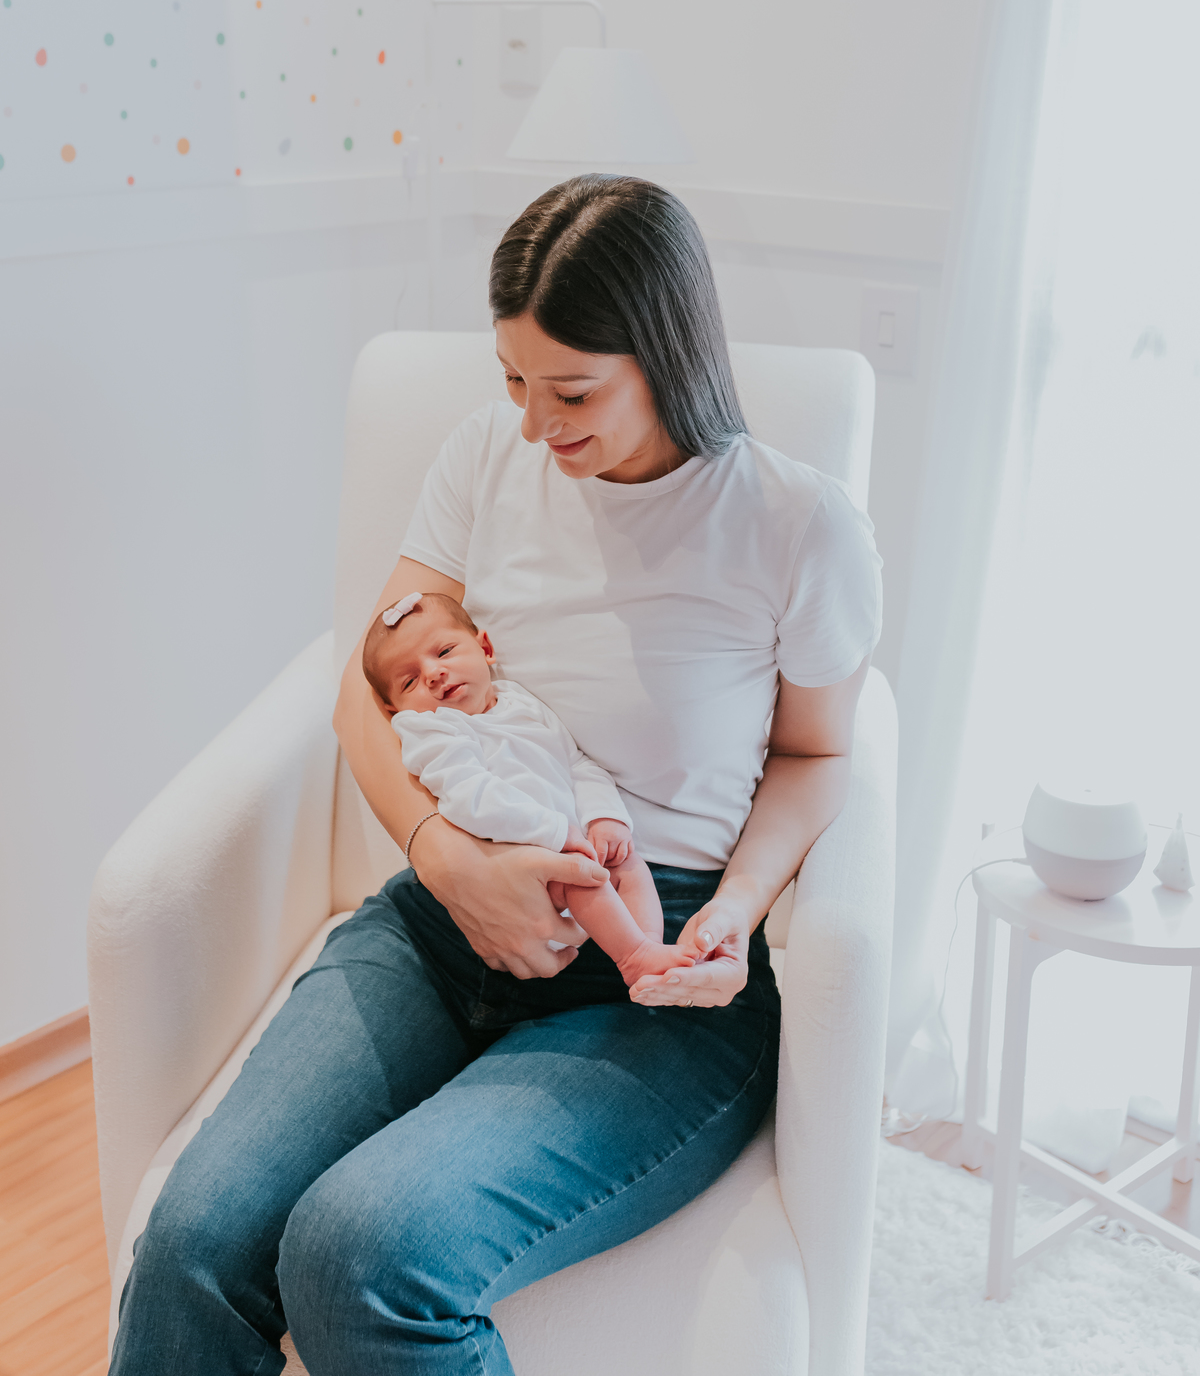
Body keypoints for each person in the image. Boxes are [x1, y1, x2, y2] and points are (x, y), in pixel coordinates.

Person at [108, 174, 882, 1376]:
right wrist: (447, 862)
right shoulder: (484, 457)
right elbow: (365, 689)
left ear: (666, 354)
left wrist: (734, 913)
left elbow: (817, 754)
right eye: (513, 380)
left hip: (653, 962)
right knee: (191, 1242)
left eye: (570, 392)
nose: (533, 425)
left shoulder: (796, 523)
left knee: (363, 1252)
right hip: (439, 919)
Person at [362, 587, 699, 987]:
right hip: (516, 863)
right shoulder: (431, 729)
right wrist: (555, 832)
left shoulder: (519, 701)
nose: (434, 673)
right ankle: (633, 957)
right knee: (579, 879)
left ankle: (651, 948)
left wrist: (604, 818)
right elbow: (470, 796)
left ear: (484, 648)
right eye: (410, 680)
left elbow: (575, 762)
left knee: (628, 865)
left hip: (572, 842)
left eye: (445, 652)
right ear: (393, 709)